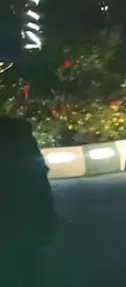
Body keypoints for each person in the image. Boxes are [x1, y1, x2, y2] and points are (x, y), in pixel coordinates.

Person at [0, 104, 57, 287]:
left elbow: (35, 177)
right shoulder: (16, 133)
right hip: (22, 224)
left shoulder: (15, 134)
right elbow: (36, 178)